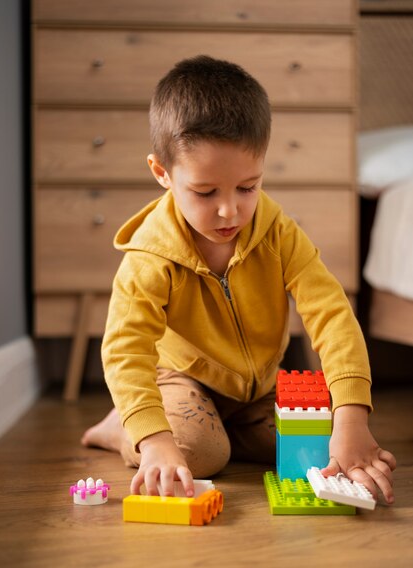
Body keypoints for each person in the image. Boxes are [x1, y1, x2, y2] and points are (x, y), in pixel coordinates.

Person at [82, 56, 396, 503]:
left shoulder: (279, 233)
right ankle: (123, 426)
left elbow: (331, 315)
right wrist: (154, 441)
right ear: (162, 173)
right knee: (198, 454)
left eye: (248, 187)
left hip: (255, 390)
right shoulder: (150, 257)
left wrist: (350, 418)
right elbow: (124, 349)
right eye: (206, 192)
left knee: (312, 448)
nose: (230, 211)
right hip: (181, 379)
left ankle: (215, 427)